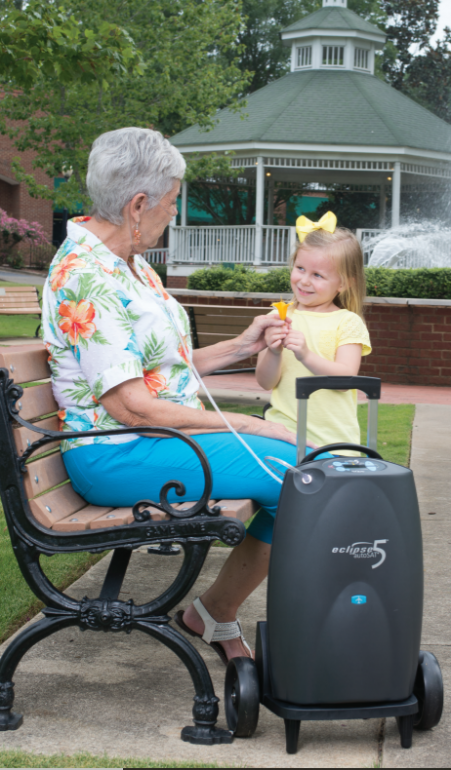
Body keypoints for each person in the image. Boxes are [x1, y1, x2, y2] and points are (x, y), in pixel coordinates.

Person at [42, 126, 314, 665]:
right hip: (117, 452)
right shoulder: (85, 277)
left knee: (306, 472)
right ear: (137, 205)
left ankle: (214, 612)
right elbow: (130, 407)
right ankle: (221, 614)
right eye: (171, 202)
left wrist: (242, 345)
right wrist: (251, 424)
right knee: (302, 476)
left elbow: (161, 369)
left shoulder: (129, 264)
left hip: (156, 439)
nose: (174, 212)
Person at [256, 213, 372, 455]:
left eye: (317, 275)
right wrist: (273, 352)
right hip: (281, 436)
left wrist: (306, 356)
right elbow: (266, 382)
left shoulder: (347, 322)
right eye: (300, 268)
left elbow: (345, 381)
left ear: (343, 284)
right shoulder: (278, 316)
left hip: (333, 444)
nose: (304, 281)